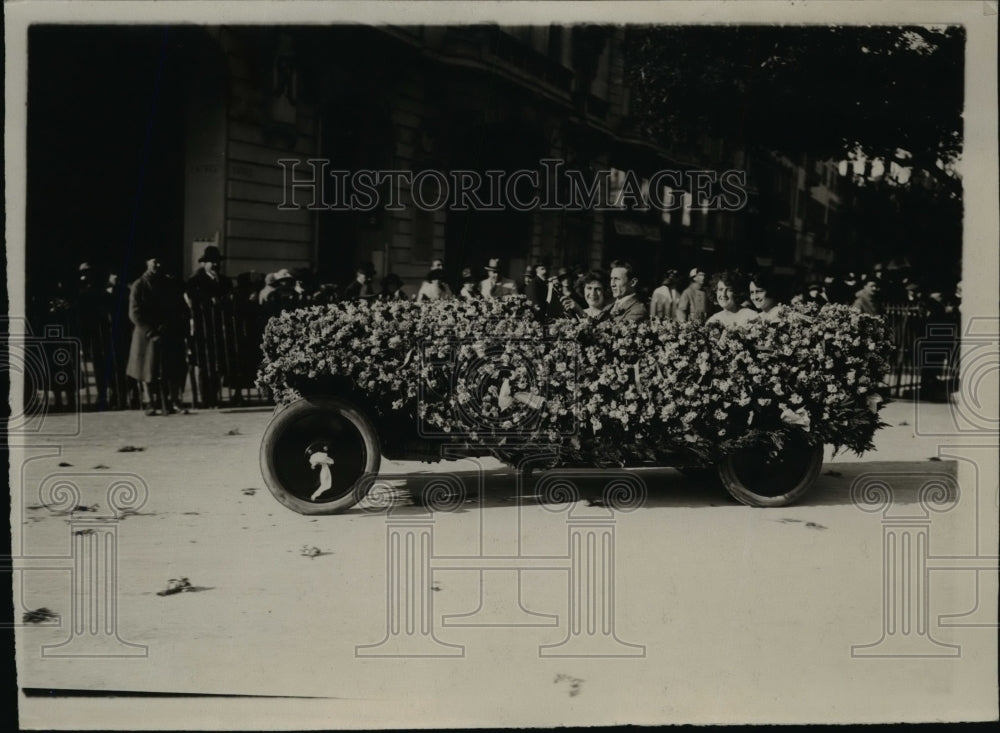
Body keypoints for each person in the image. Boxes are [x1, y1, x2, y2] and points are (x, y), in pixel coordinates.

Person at [126, 255, 189, 415]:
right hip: (146, 335)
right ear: (147, 263)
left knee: (172, 368)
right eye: (154, 261)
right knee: (148, 370)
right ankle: (150, 402)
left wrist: (173, 324)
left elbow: (177, 306)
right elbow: (134, 312)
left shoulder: (168, 283)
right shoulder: (139, 285)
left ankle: (174, 401)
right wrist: (150, 331)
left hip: (167, 332)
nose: (158, 264)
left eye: (160, 261)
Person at [184, 245, 231, 408]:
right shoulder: (195, 281)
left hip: (219, 328)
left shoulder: (224, 281)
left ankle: (216, 396)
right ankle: (206, 398)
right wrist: (208, 301)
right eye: (211, 262)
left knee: (218, 362)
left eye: (217, 262)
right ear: (204, 263)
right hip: (203, 328)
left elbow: (228, 300)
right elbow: (192, 301)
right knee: (205, 364)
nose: (215, 265)